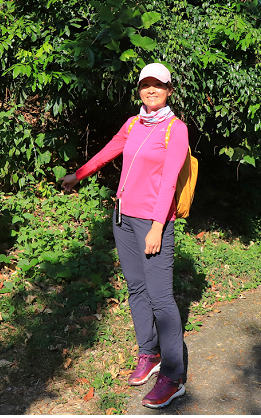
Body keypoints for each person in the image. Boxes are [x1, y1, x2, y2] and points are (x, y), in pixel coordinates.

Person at [59, 62, 189, 409]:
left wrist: (159, 226)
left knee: (160, 298)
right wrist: (79, 174)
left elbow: (169, 182)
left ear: (169, 90)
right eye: (145, 85)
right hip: (123, 219)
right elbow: (109, 151)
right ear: (139, 90)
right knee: (136, 287)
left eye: (158, 86)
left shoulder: (175, 130)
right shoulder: (133, 124)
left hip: (153, 222)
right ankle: (149, 353)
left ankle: (174, 376)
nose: (151, 90)